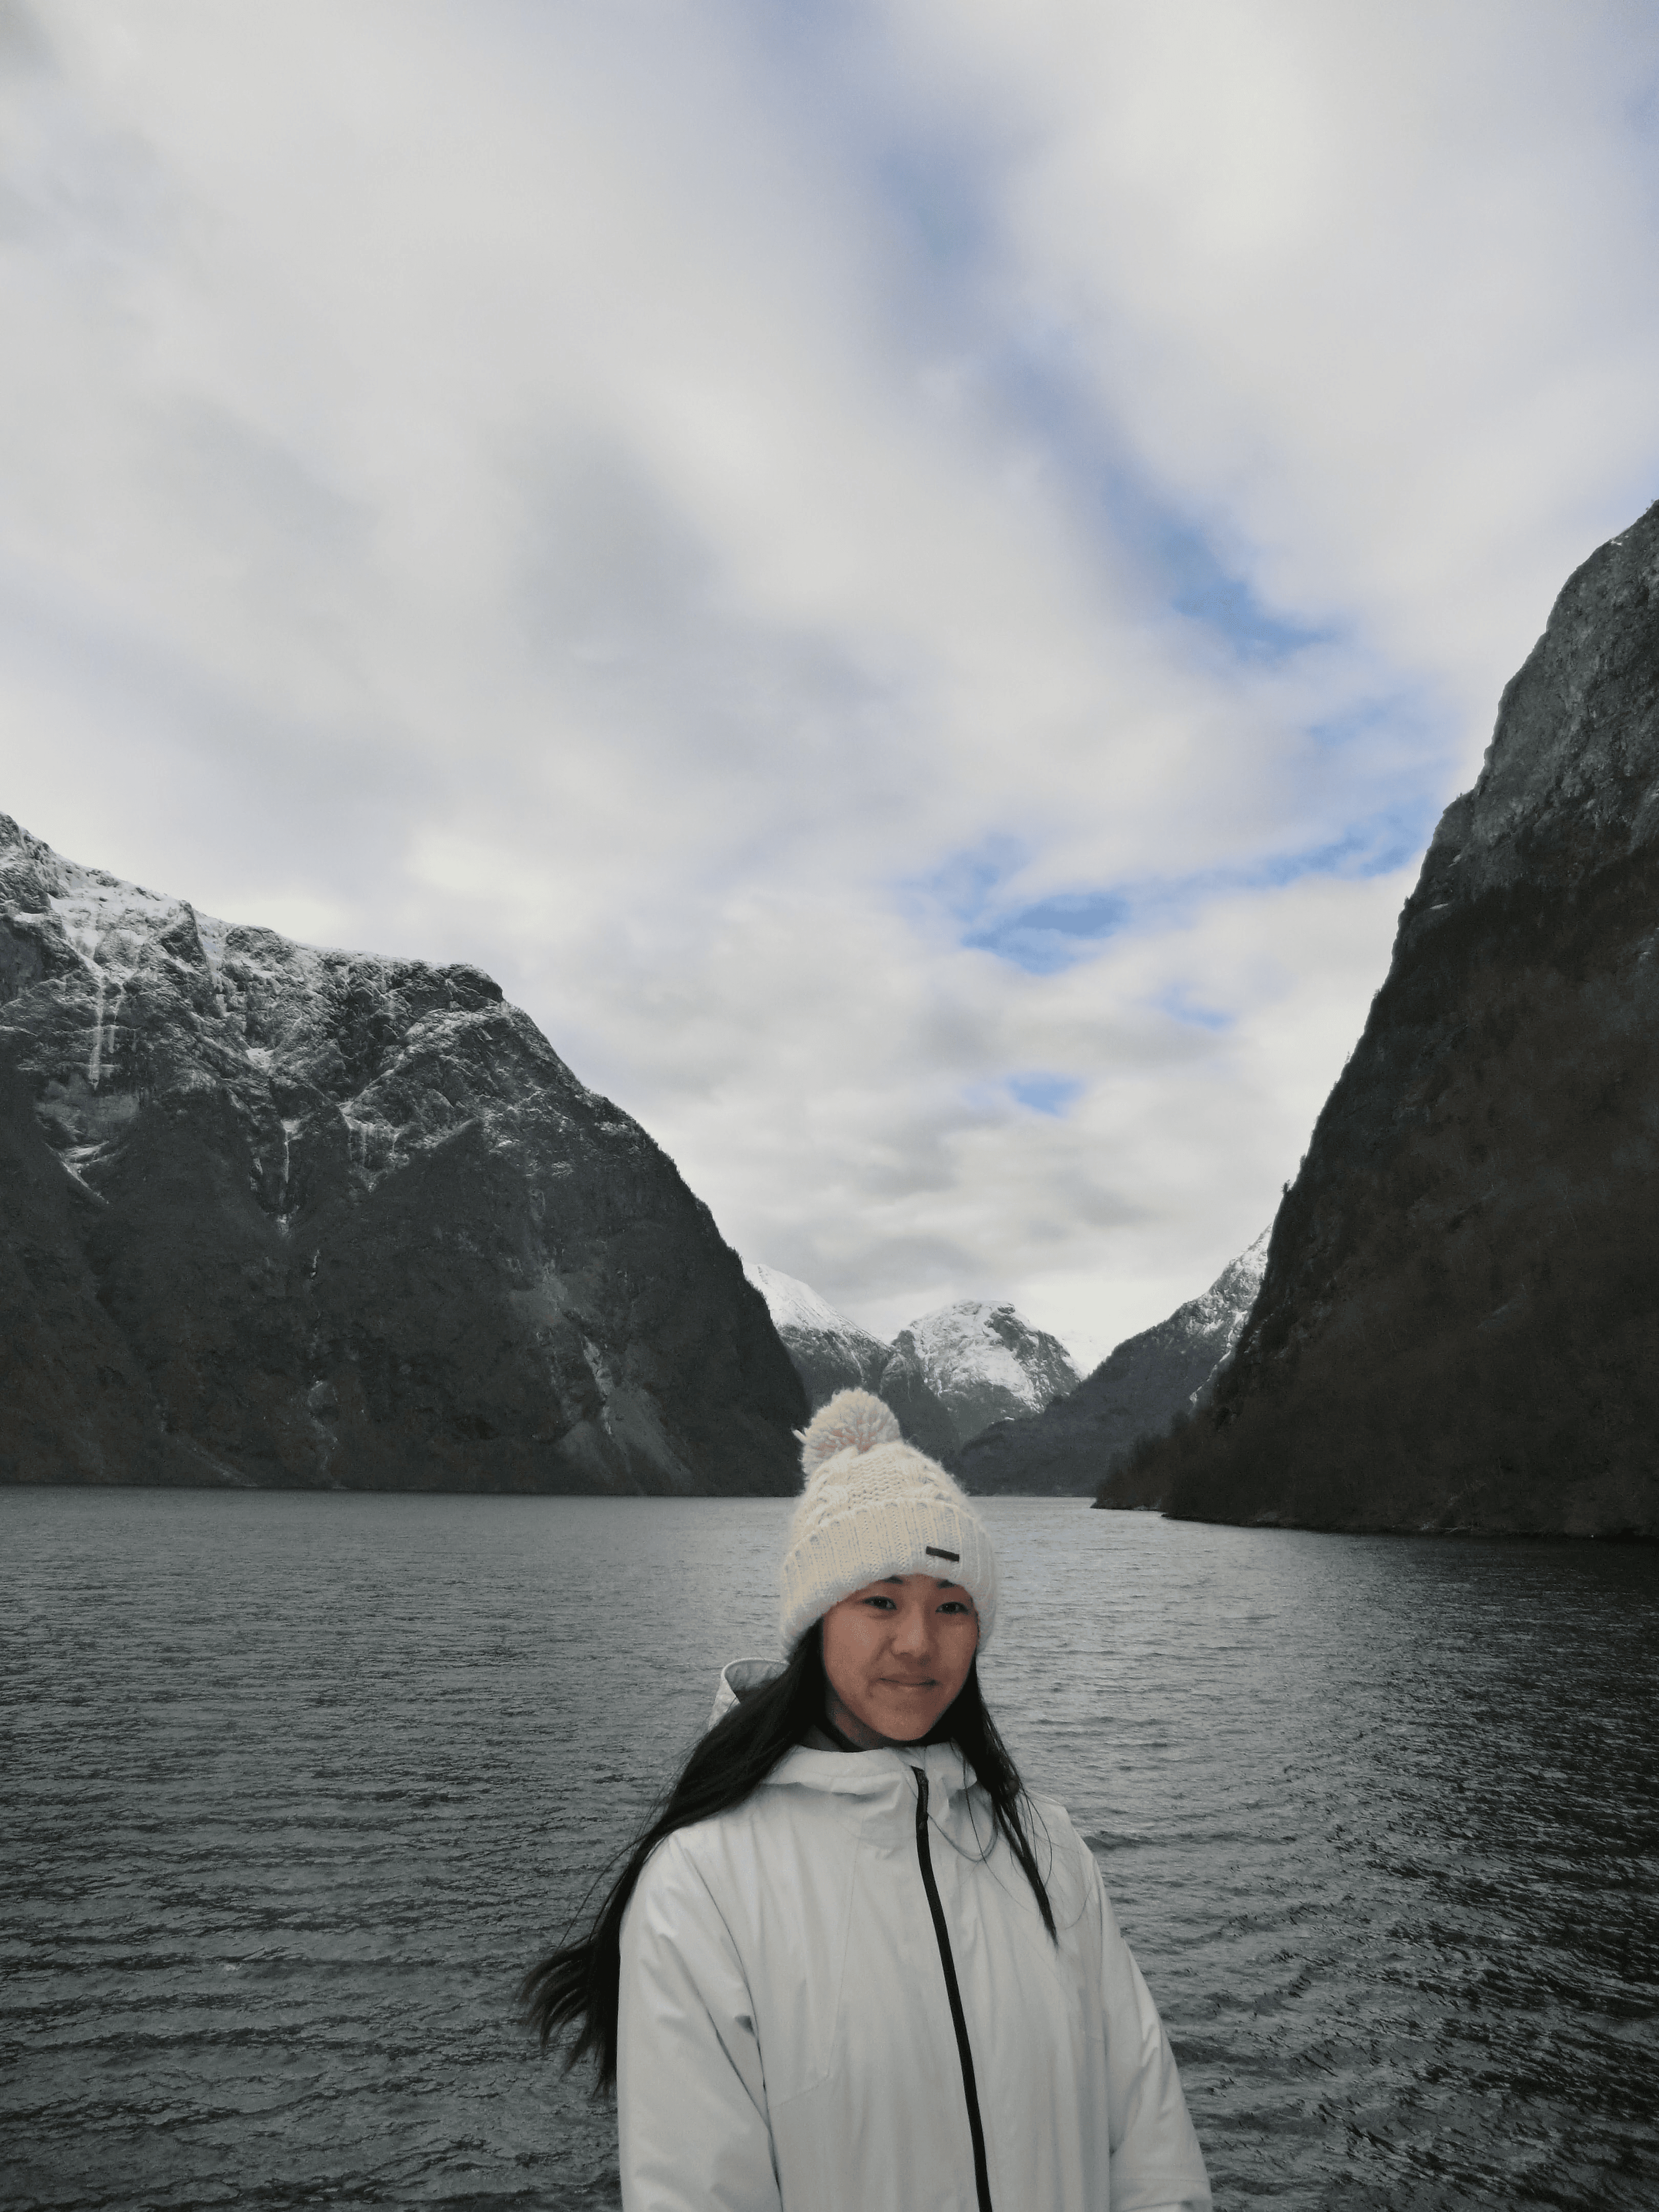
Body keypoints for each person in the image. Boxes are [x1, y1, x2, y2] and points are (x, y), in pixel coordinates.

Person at [523, 1389, 1212, 2212]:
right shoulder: (703, 1884)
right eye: (880, 1600)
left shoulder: (1048, 1851)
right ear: (817, 1621)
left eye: (951, 1606)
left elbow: (1152, 2149)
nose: (919, 1642)